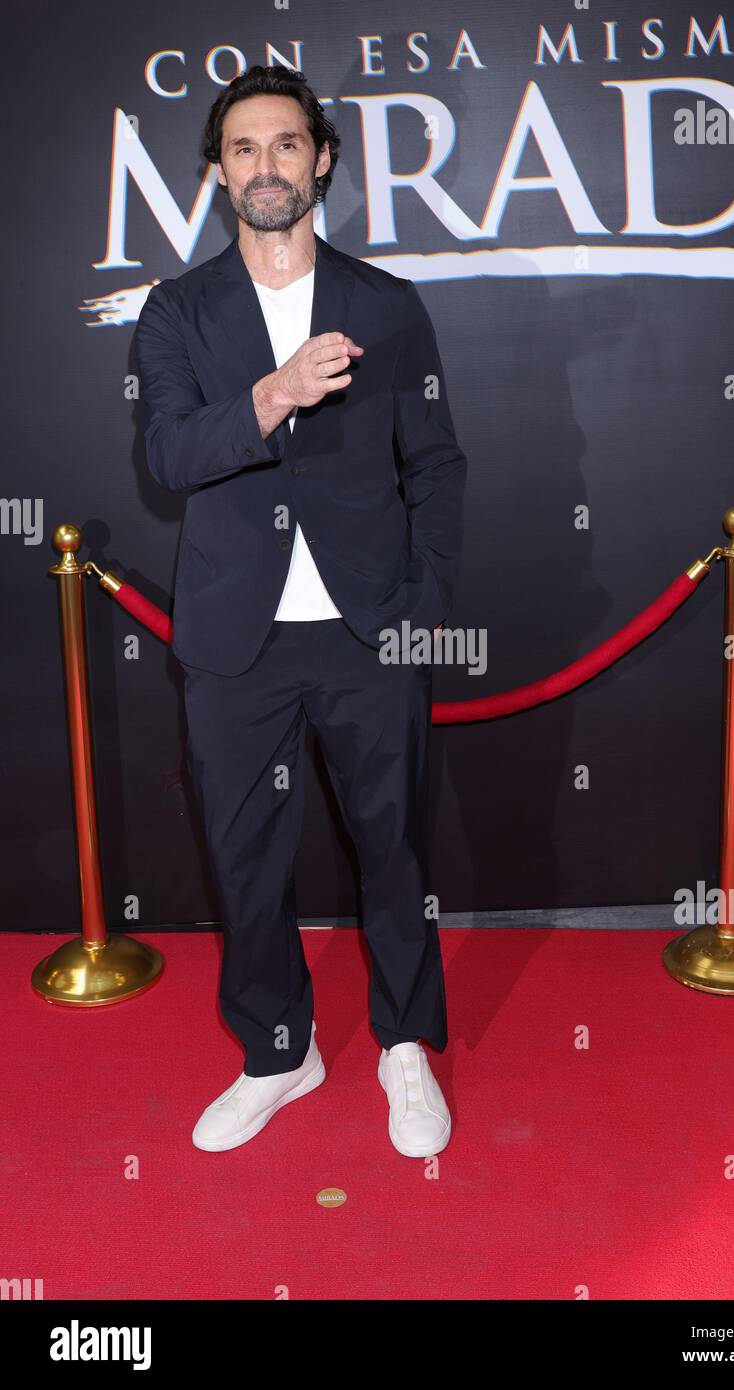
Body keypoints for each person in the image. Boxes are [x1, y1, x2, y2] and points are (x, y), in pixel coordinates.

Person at [133, 64, 467, 1159]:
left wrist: (423, 602)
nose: (264, 165)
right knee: (244, 859)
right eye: (242, 149)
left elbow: (437, 465)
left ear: (321, 159)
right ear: (218, 173)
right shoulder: (179, 311)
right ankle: (280, 1051)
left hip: (371, 629)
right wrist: (274, 391)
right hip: (237, 636)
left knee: (396, 849)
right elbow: (171, 455)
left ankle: (404, 1045)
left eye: (285, 144)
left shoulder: (386, 305)